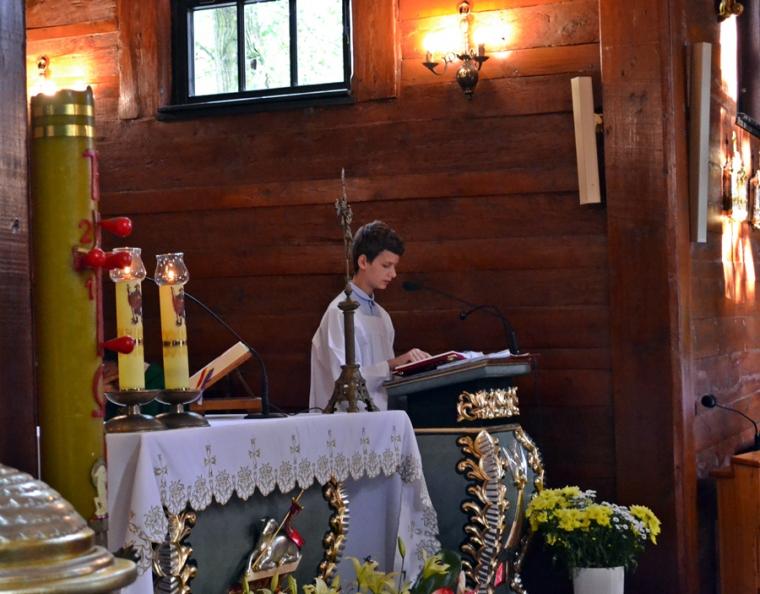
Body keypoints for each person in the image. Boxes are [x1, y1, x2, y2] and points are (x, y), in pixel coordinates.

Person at [309, 220, 429, 411]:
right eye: (386, 265)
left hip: (381, 414)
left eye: (394, 266)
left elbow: (386, 381)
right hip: (345, 419)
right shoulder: (339, 313)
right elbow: (342, 381)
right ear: (363, 262)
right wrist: (392, 364)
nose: (393, 274)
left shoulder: (383, 316)